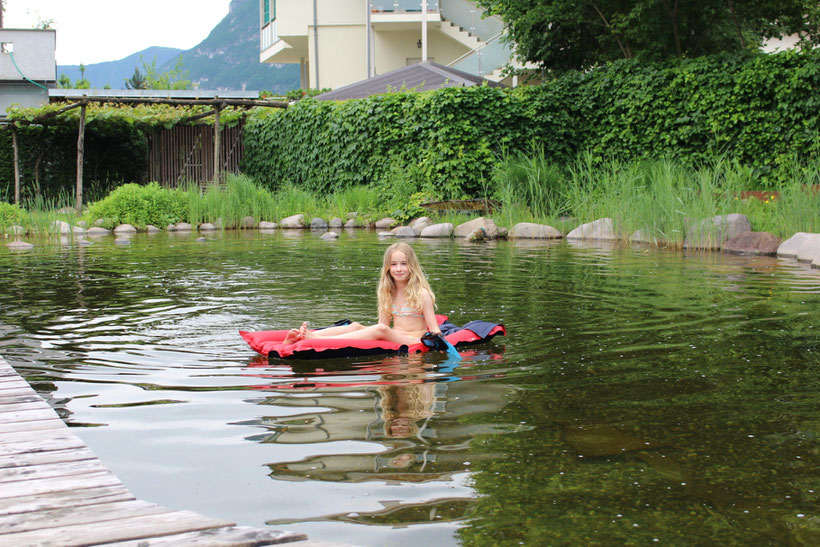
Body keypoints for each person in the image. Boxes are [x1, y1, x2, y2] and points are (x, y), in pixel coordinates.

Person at [282, 242, 441, 345]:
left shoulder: (422, 294)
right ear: (388, 268)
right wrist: (363, 332)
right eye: (394, 264)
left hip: (413, 341)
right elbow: (383, 324)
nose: (399, 269)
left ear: (411, 266)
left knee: (381, 330)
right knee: (356, 325)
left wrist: (434, 343)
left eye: (404, 264)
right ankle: (304, 335)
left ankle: (317, 339)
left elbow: (435, 330)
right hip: (394, 336)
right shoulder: (388, 292)